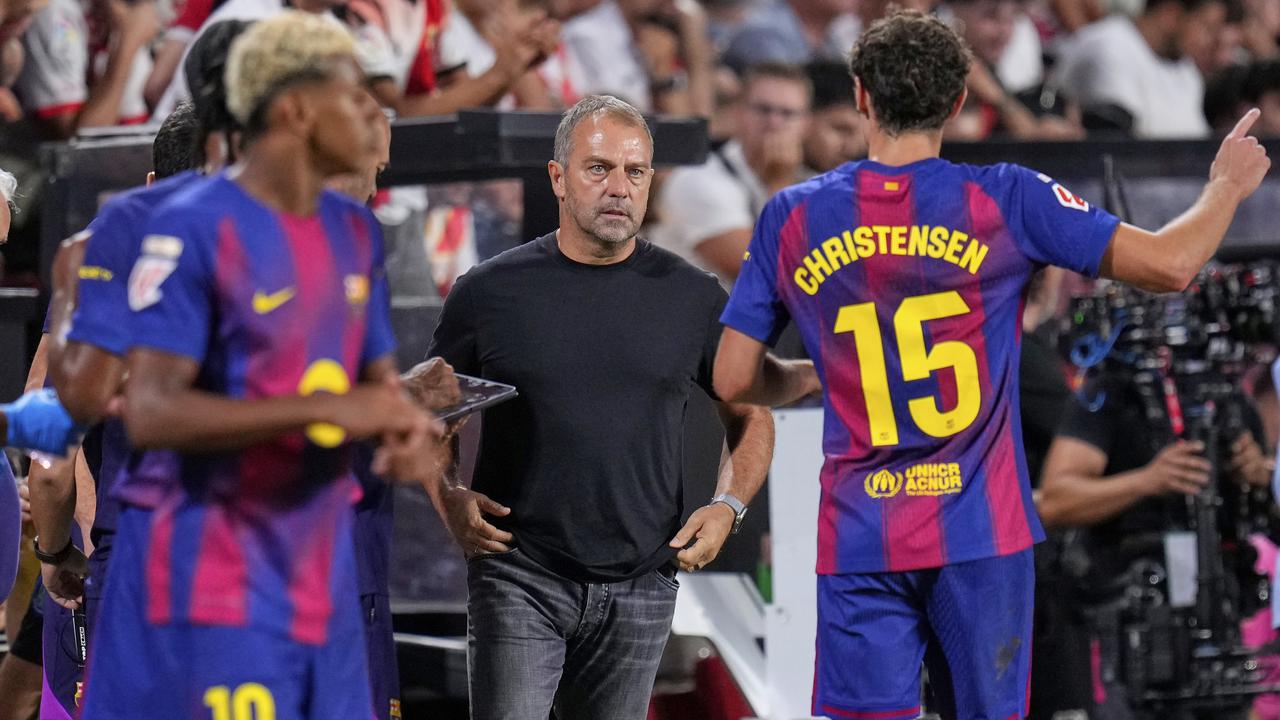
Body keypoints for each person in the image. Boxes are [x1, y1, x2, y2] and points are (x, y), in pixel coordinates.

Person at [712, 9, 1270, 719]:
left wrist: (801, 376)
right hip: (980, 536)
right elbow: (1171, 263)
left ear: (861, 96)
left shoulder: (791, 214)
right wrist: (1226, 186)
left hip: (861, 534)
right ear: (957, 102)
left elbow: (733, 379)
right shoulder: (1006, 196)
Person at [77, 12, 440, 718]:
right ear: (295, 110)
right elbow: (151, 411)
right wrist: (325, 409)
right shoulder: (187, 224)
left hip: (320, 567)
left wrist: (404, 429)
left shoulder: (356, 232)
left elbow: (369, 386)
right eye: (354, 94)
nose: (375, 114)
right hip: (204, 565)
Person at [427, 94, 775, 720]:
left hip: (643, 582)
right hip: (518, 574)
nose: (619, 187)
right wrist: (446, 493)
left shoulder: (694, 296)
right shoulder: (487, 292)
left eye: (635, 172)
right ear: (558, 178)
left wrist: (728, 506)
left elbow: (752, 414)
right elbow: (433, 416)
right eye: (598, 168)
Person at [655, 62, 811, 284]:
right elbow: (766, 276)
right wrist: (779, 185)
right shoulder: (699, 180)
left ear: (806, 124)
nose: (774, 123)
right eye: (763, 110)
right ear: (737, 112)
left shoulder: (813, 180)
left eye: (787, 113)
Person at [1055, 0, 1226, 138]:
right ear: (1170, 15)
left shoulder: (1185, 67)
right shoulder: (1110, 45)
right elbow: (1122, 144)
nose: (1209, 41)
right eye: (1206, 26)